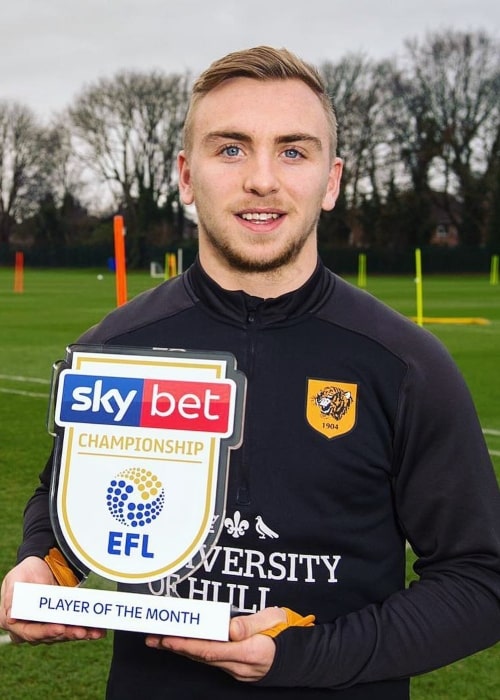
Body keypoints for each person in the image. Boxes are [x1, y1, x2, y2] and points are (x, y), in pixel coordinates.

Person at [1, 45, 500, 700]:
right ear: (185, 176)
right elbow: (65, 504)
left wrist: (308, 655)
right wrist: (44, 569)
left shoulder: (404, 366)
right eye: (230, 148)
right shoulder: (117, 348)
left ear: (332, 180)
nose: (262, 179)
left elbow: (480, 582)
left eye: (293, 151)